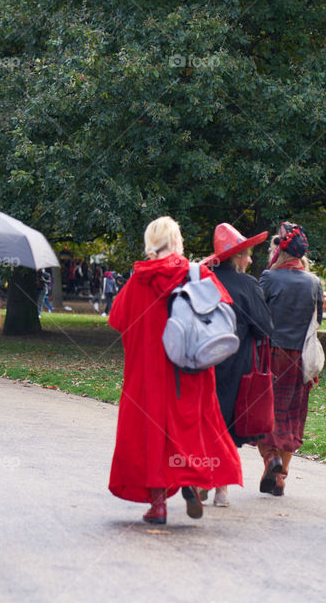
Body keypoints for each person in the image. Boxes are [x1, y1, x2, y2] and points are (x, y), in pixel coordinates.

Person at [107, 216, 243, 524]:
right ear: (177, 241)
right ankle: (191, 481)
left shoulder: (138, 280)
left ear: (150, 243)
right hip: (189, 370)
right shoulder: (197, 274)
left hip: (149, 374)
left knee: (152, 437)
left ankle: (158, 506)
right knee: (192, 426)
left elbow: (117, 319)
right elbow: (224, 308)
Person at [202, 223, 274, 507]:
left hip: (202, 363)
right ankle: (221, 489)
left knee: (205, 422)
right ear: (235, 256)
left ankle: (200, 481)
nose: (251, 260)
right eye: (247, 255)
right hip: (237, 365)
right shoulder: (248, 286)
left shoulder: (202, 281)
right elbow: (264, 328)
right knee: (228, 427)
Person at [257, 222, 323, 497]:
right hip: (299, 358)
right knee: (292, 418)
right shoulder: (314, 282)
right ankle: (280, 478)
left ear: (280, 251)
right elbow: (318, 321)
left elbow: (257, 316)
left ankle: (270, 459)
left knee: (263, 413)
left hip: (270, 354)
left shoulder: (269, 278)